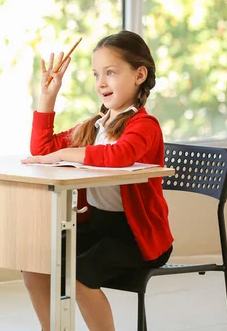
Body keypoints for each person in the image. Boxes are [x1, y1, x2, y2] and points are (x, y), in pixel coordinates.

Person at [21, 30, 173, 331]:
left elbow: (120, 155)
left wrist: (67, 152)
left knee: (79, 276)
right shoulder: (96, 124)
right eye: (96, 74)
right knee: (34, 261)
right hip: (99, 228)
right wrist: (48, 96)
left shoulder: (144, 125)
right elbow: (41, 149)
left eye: (111, 73)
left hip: (136, 237)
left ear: (139, 74)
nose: (101, 82)